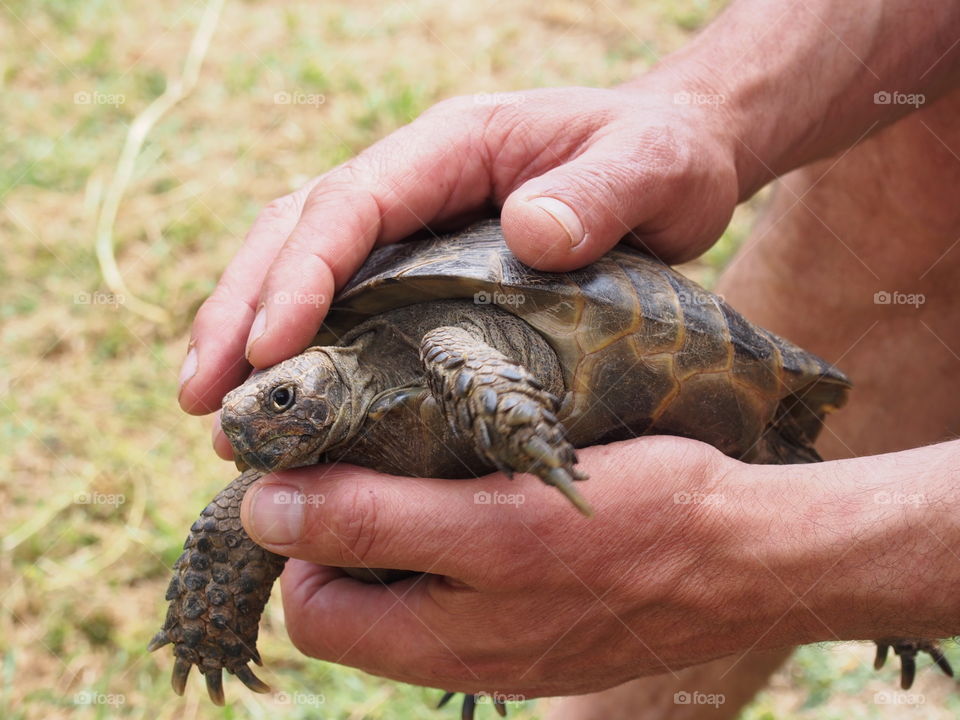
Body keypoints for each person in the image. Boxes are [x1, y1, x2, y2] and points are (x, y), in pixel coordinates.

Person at [177, 0, 960, 717]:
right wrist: (700, 109)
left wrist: (810, 558)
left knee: (769, 460)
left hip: (582, 332)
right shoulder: (315, 438)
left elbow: (461, 352)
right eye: (257, 406)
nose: (251, 418)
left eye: (276, 400)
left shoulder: (450, 345)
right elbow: (232, 526)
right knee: (925, 172)